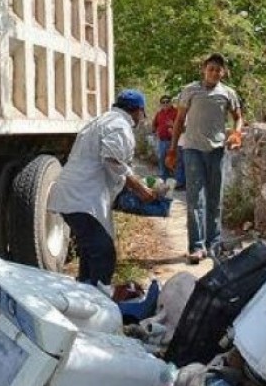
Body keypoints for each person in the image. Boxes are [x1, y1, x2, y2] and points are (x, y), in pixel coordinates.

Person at [48, 89, 156, 288]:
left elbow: (111, 163)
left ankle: (85, 293)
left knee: (91, 251)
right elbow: (112, 160)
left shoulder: (103, 120)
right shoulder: (119, 125)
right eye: (142, 113)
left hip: (76, 196)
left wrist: (129, 186)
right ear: (138, 111)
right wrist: (140, 189)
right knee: (103, 254)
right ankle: (97, 304)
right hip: (83, 198)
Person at [167, 53, 243, 264]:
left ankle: (214, 244)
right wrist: (172, 150)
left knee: (215, 199)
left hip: (217, 151)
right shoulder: (190, 90)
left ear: (223, 72)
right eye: (211, 69)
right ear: (204, 69)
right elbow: (179, 120)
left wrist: (236, 134)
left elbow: (238, 118)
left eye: (218, 70)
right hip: (192, 150)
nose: (214, 73)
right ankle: (197, 246)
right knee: (195, 200)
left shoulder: (228, 93)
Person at [151, 95, 177, 179]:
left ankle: (176, 179)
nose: (165, 103)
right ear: (161, 104)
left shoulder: (176, 112)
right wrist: (155, 131)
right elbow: (154, 124)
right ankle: (164, 177)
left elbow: (181, 126)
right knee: (162, 159)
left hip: (173, 141)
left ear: (171, 102)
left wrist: (173, 125)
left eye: (167, 101)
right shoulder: (159, 113)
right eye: (163, 102)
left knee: (173, 160)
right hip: (162, 141)